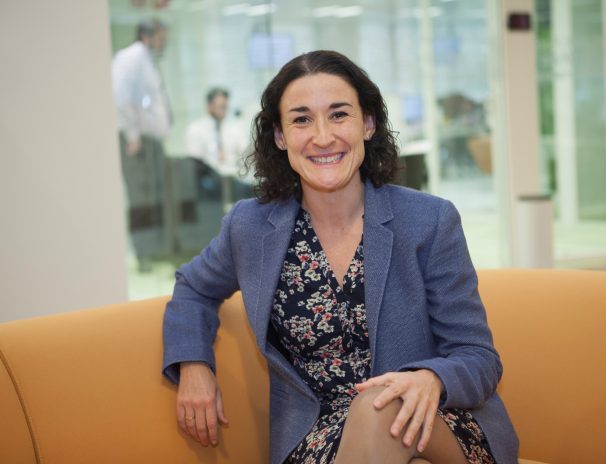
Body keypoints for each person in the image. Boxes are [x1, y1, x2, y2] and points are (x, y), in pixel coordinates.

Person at [162, 50, 518, 464]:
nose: (323, 136)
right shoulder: (250, 227)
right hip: (317, 436)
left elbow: (479, 357)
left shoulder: (429, 220)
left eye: (338, 115)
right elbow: (194, 288)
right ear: (280, 136)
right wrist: (194, 365)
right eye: (301, 120)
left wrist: (431, 378)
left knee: (379, 407)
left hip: (433, 417)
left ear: (367, 124)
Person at [112, 19, 171, 271]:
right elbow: (120, 97)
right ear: (147, 36)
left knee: (155, 197)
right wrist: (133, 135)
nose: (165, 43)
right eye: (162, 37)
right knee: (141, 199)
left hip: (151, 142)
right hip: (137, 143)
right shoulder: (131, 58)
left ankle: (154, 251)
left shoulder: (147, 60)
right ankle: (144, 255)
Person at [185, 87, 254, 203]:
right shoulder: (195, 129)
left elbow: (246, 153)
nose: (223, 110)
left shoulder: (234, 128)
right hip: (209, 181)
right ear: (209, 106)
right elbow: (194, 162)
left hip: (234, 178)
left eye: (225, 106)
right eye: (219, 106)